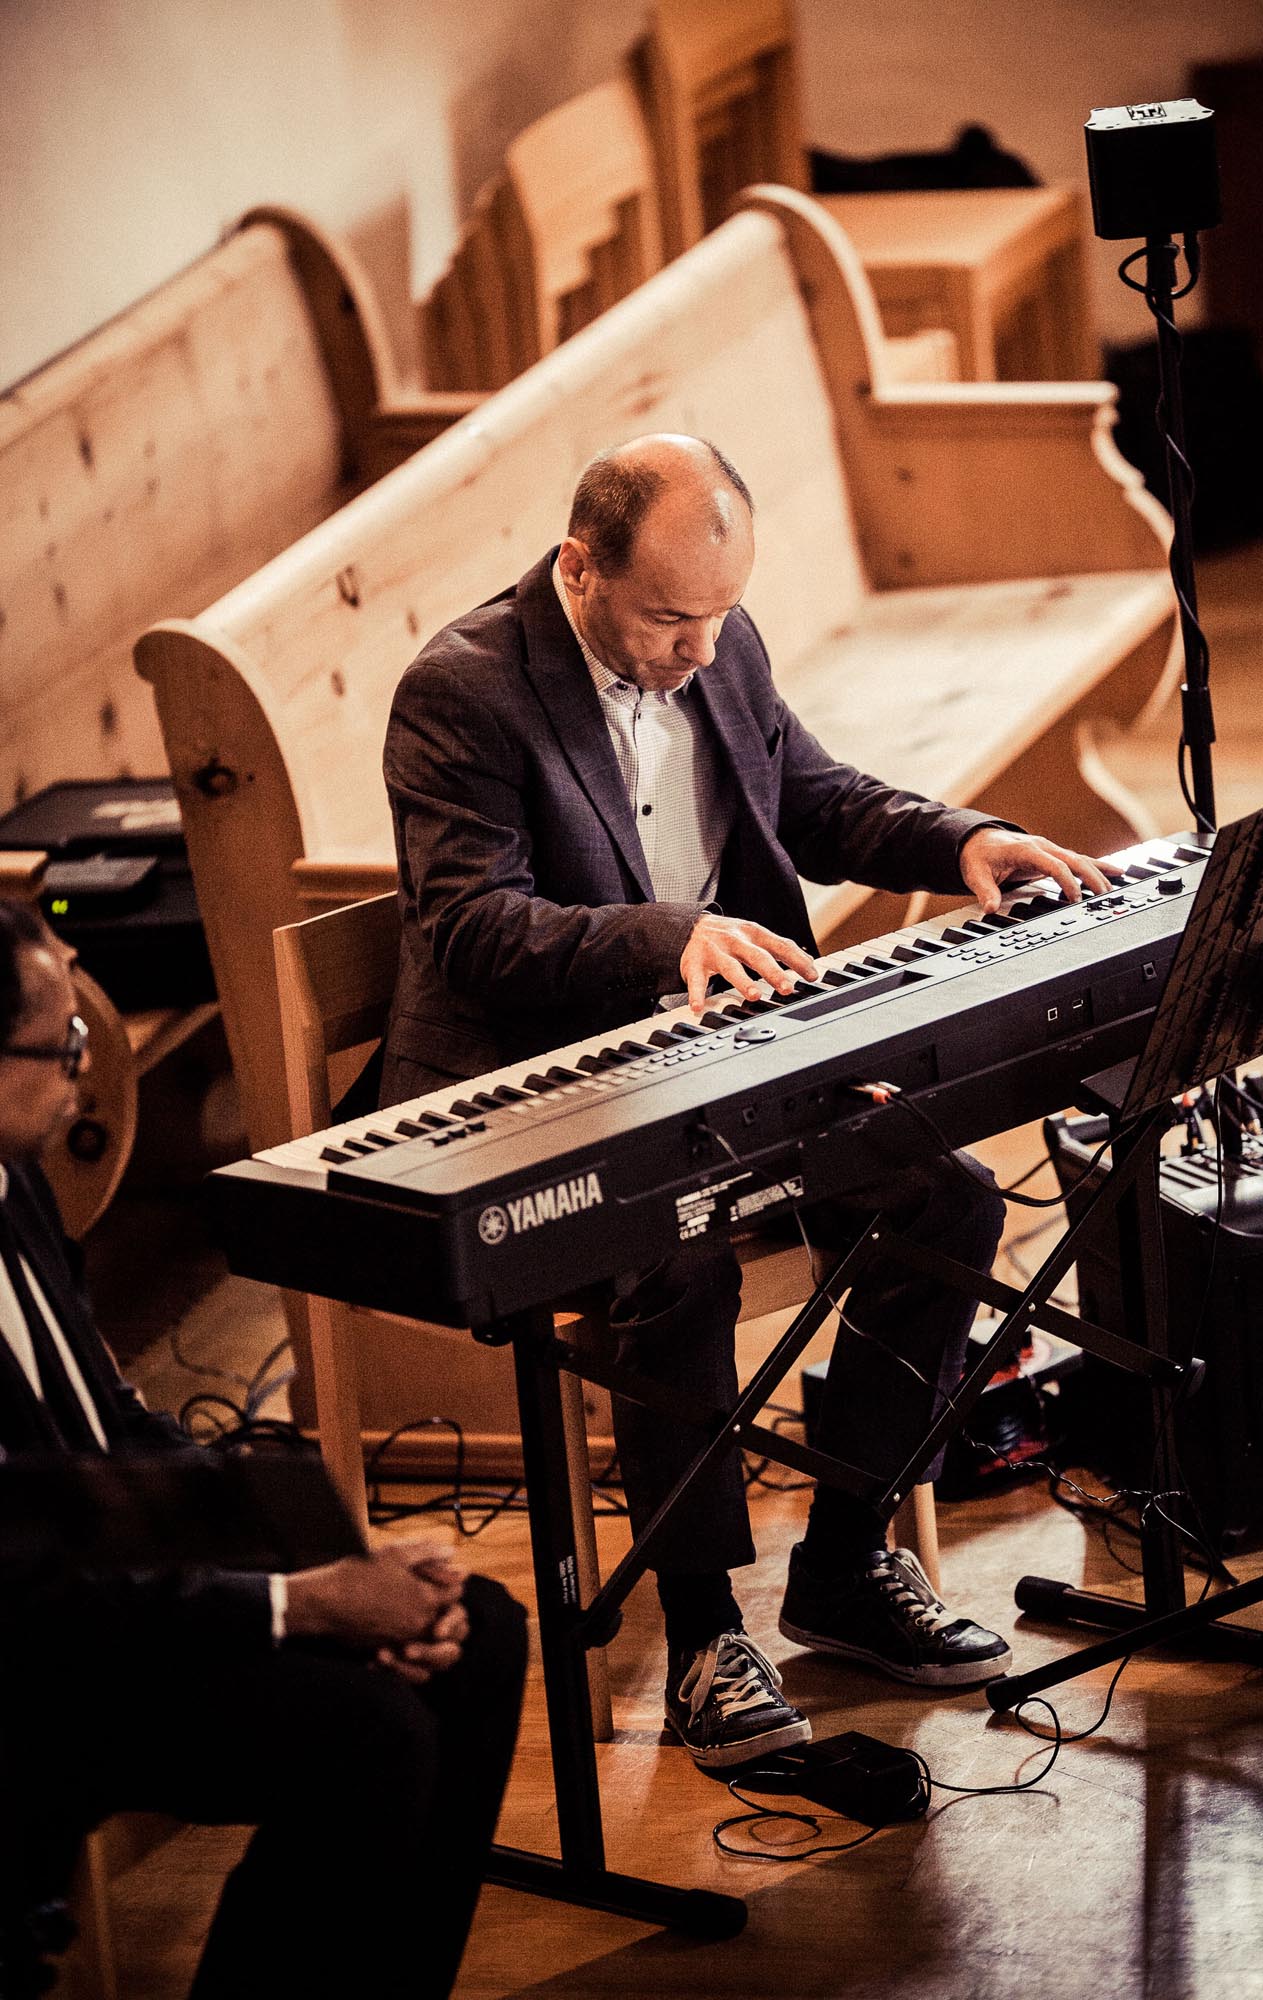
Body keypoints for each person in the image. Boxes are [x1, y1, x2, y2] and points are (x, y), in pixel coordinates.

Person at [381, 434, 1115, 1771]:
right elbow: (474, 928)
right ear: (578, 568)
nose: (703, 648)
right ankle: (705, 1627)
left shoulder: (717, 637)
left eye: (721, 614)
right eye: (671, 619)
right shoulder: (464, 689)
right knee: (679, 1264)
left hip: (723, 1059)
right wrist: (670, 937)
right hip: (550, 1092)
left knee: (946, 1201)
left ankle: (845, 1561)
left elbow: (813, 800)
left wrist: (963, 837)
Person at [0, 901, 526, 1998]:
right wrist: (302, 1603)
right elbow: (27, 1579)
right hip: (39, 1659)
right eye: (65, 1043)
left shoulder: (19, 1184)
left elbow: (113, 1424)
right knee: (367, 1735)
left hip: (105, 1598)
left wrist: (324, 1553)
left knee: (476, 1631)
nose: (86, 1070)